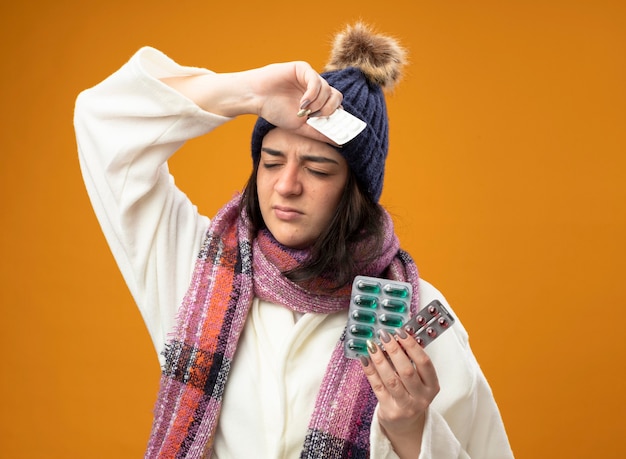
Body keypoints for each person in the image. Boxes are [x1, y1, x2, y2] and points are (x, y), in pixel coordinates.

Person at [75, 22, 514, 459]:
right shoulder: (196, 270)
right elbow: (103, 122)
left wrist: (411, 430)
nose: (286, 185)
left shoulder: (412, 315)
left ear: (355, 190)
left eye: (318, 169)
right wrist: (249, 95)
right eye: (271, 161)